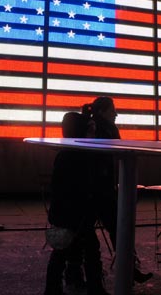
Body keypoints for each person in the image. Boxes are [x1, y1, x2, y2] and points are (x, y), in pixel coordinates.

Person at [82, 96, 153, 284]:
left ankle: (86, 278)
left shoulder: (91, 127)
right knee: (118, 228)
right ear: (103, 111)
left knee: (85, 234)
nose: (116, 113)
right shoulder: (103, 130)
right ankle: (128, 270)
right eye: (113, 110)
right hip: (102, 189)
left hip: (93, 189)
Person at [44, 111, 109, 295]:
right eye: (90, 130)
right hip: (77, 216)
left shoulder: (66, 155)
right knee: (88, 251)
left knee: (62, 253)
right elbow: (83, 188)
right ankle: (94, 288)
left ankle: (53, 289)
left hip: (65, 215)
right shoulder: (80, 156)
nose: (94, 134)